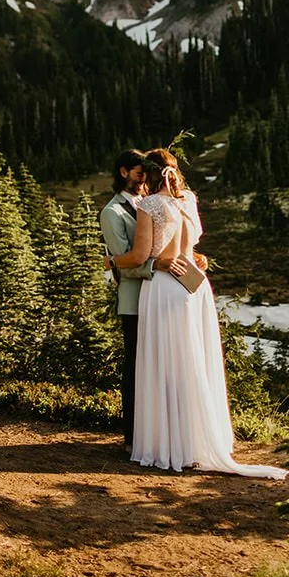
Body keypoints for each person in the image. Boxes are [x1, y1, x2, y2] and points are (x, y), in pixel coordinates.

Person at [106, 148, 287, 479]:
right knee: (193, 361)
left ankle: (169, 443)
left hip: (165, 287)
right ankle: (196, 440)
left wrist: (111, 262)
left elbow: (139, 256)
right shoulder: (187, 199)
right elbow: (192, 246)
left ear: (148, 174)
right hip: (196, 283)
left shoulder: (150, 205)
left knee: (166, 365)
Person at [98, 148, 155, 452]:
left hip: (157, 298)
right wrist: (159, 268)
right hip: (134, 300)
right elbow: (123, 262)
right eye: (138, 172)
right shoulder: (112, 212)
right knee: (135, 368)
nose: (144, 178)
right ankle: (132, 436)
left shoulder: (150, 204)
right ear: (123, 172)